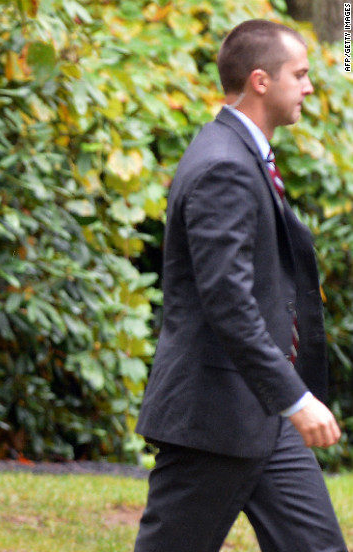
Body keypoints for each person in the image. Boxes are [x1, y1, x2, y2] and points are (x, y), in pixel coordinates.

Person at [134, 20, 346, 552]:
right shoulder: (223, 166)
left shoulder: (240, 155)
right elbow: (227, 301)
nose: (309, 87)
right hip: (212, 417)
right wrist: (295, 398)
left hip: (258, 413)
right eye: (299, 75)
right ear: (260, 80)